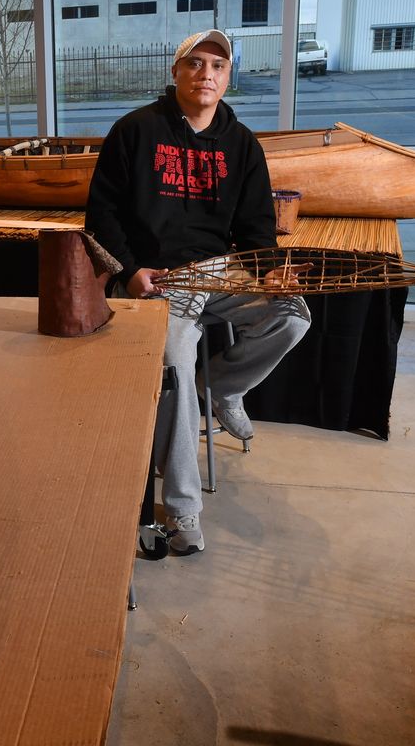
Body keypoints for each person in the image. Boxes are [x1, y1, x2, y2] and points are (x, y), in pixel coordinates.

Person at [85, 29, 311, 556]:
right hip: (161, 277)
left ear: (228, 78)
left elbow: (257, 228)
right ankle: (183, 509)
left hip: (220, 270)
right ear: (176, 72)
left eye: (218, 66)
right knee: (175, 369)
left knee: (292, 315)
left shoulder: (243, 144)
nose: (206, 74)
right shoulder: (136, 130)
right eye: (195, 63)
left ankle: (225, 389)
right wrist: (132, 269)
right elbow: (102, 215)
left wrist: (268, 273)